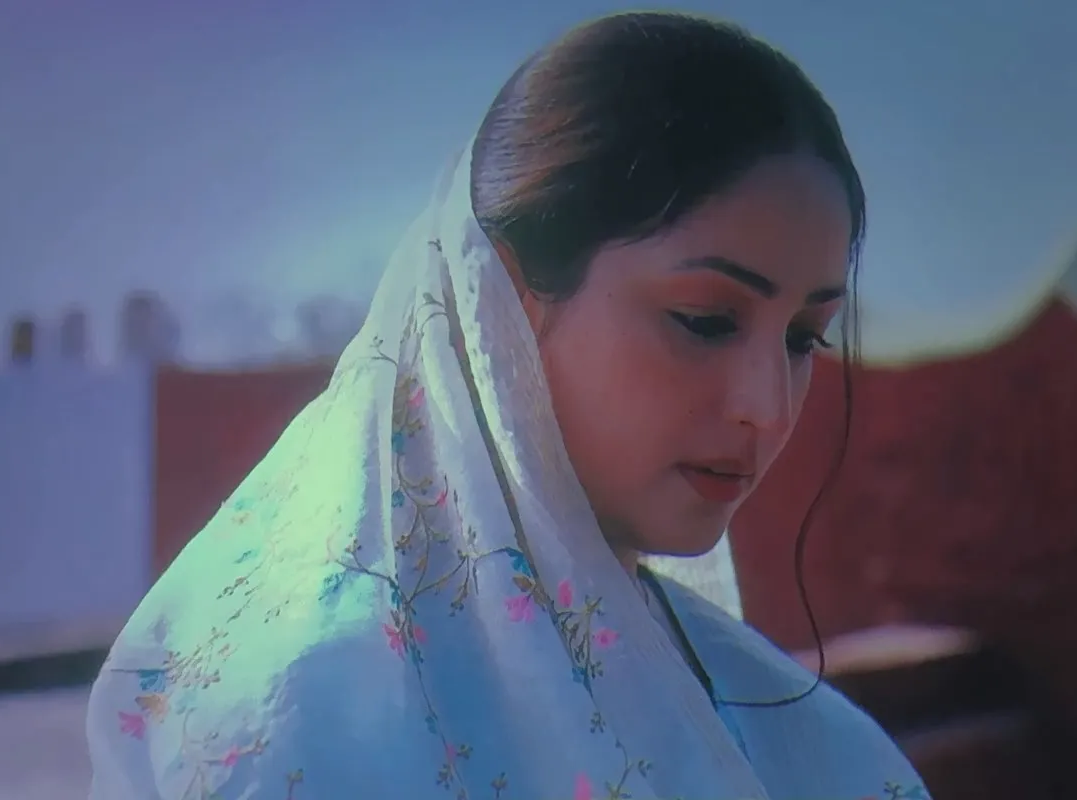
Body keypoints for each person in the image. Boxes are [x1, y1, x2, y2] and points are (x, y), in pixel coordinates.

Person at [89, 11, 929, 800]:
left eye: (804, 339)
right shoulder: (296, 721)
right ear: (503, 300)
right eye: (705, 321)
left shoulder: (808, 740)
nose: (768, 409)